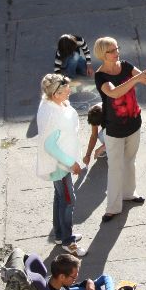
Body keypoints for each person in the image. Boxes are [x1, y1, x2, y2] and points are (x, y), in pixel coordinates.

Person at [93, 37, 146, 222]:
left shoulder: (126, 65)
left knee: (130, 161)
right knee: (115, 167)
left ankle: (129, 193)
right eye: (112, 51)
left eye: (117, 48)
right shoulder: (100, 76)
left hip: (133, 122)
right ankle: (112, 208)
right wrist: (137, 78)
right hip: (114, 128)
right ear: (102, 54)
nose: (117, 52)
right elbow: (114, 93)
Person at [36, 74, 86, 257]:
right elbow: (50, 146)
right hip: (60, 166)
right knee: (68, 200)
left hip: (59, 164)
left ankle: (59, 235)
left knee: (60, 198)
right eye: (66, 90)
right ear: (55, 94)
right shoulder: (52, 115)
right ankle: (67, 241)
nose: (70, 91)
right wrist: (71, 163)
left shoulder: (53, 104)